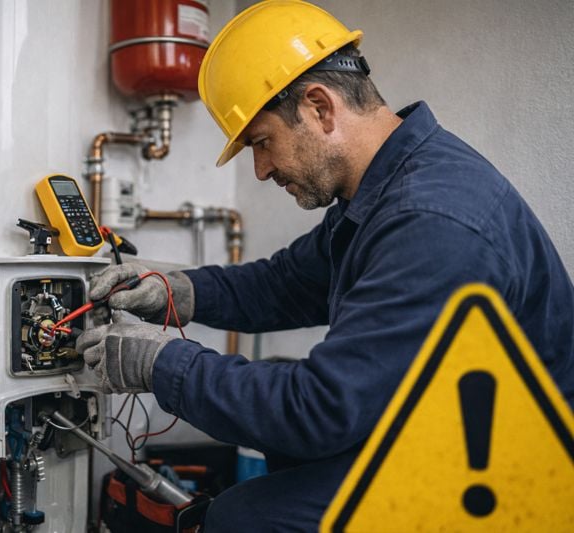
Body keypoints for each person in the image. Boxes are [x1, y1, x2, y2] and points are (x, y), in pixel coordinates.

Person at [77, 1, 574, 531]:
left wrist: (160, 365)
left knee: (242, 520)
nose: (262, 169)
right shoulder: (385, 189)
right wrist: (173, 290)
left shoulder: (430, 220)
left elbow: (320, 411)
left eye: (261, 143)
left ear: (319, 107)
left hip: (505, 479)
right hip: (444, 433)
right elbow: (286, 284)